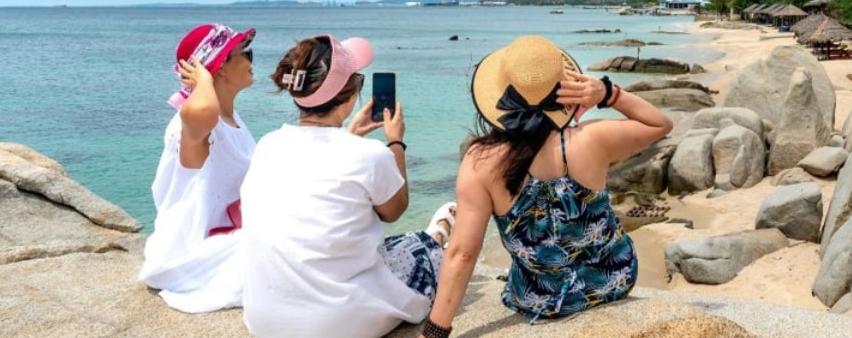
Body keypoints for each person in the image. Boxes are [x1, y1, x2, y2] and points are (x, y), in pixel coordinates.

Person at [420, 35, 673, 337]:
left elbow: (462, 253)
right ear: (564, 89)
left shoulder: (481, 162)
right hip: (614, 280)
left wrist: (434, 332)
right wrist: (608, 93)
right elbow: (660, 124)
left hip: (538, 298)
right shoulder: (592, 139)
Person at [241, 34, 457, 338]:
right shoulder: (369, 155)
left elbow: (318, 167)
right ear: (352, 95)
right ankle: (436, 236)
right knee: (430, 254)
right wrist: (396, 141)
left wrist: (349, 132)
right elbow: (395, 209)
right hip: (338, 322)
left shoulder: (267, 145)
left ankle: (435, 234)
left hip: (266, 318)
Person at [139, 23, 257, 313]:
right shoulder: (192, 122)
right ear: (220, 69)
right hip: (192, 254)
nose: (252, 60)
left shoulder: (232, 120)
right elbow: (202, 111)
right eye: (245, 54)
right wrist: (204, 81)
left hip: (225, 240)